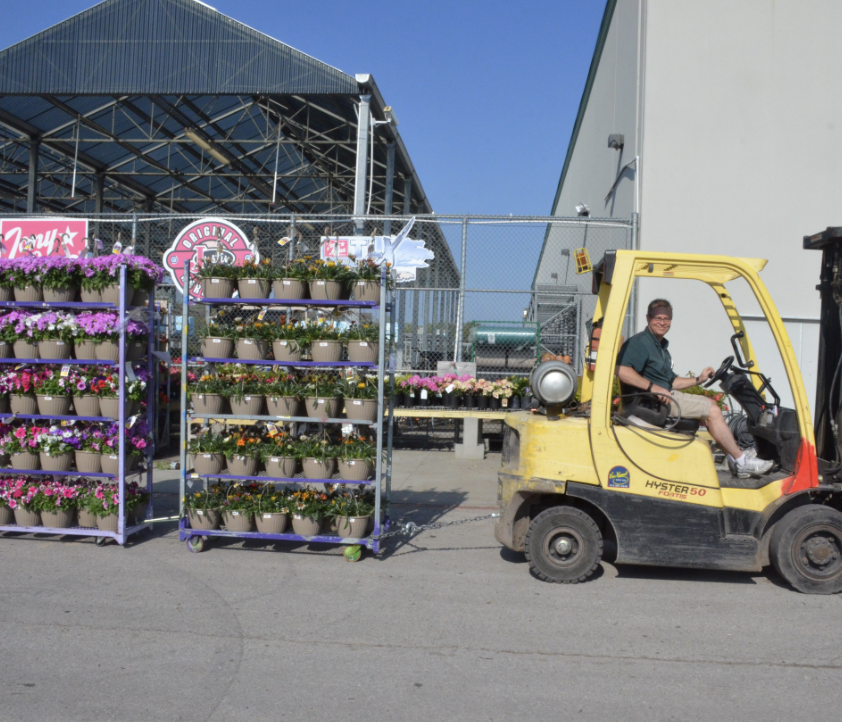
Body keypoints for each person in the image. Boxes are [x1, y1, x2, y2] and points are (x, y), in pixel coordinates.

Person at [615, 299, 773, 478]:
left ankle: (734, 459)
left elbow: (672, 382)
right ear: (648, 318)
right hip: (651, 402)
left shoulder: (660, 346)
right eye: (658, 318)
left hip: (662, 397)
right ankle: (742, 461)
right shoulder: (640, 343)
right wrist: (654, 388)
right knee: (712, 409)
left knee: (710, 408)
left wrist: (699, 379)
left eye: (666, 319)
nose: (662, 322)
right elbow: (621, 370)